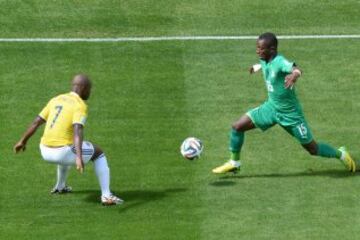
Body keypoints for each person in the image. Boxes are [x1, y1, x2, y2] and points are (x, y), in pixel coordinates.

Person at [212, 32, 356, 174]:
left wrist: (294, 75)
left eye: (261, 48)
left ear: (272, 50)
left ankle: (341, 154)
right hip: (271, 108)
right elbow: (266, 65)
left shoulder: (280, 61)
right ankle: (234, 162)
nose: (257, 51)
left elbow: (296, 68)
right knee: (237, 127)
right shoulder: (264, 59)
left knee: (313, 149)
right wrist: (257, 66)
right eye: (257, 47)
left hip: (291, 115)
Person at [14, 74, 123, 205]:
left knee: (66, 145)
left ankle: (60, 187)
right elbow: (78, 130)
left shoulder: (56, 99)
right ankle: (106, 196)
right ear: (83, 88)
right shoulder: (80, 105)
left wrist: (22, 141)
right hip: (62, 152)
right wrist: (79, 156)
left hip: (44, 150)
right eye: (89, 89)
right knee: (99, 154)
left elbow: (36, 122)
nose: (90, 92)